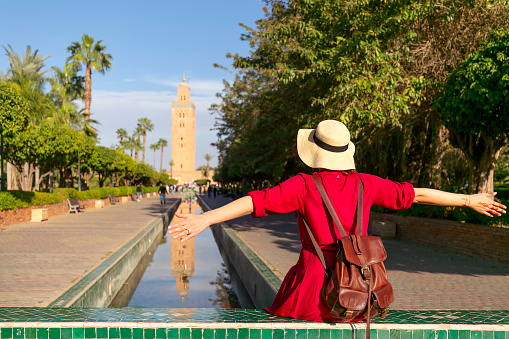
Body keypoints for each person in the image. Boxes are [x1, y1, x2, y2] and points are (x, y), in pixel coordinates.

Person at [168, 120, 506, 323]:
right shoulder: (366, 184)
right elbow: (415, 194)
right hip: (357, 287)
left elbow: (256, 201)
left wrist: (205, 218)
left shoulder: (303, 185)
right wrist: (467, 200)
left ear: (315, 151)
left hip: (312, 287)